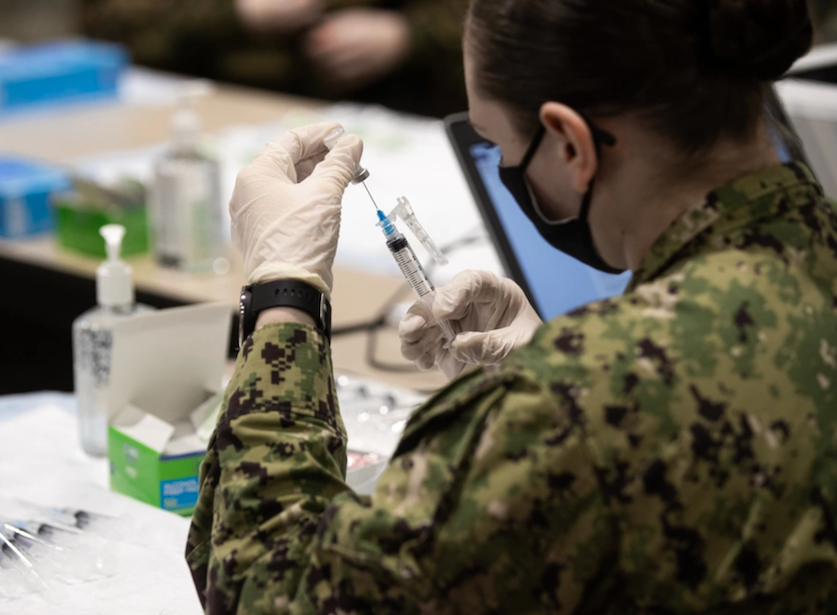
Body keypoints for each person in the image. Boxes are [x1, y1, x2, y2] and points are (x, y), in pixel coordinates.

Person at [186, 0, 837, 612]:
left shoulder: (576, 405)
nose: (500, 162)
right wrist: (556, 356)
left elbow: (267, 585)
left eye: (497, 143)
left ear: (571, 145)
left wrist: (282, 290)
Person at [81, 0, 469, 117]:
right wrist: (235, 15)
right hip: (212, 113)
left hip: (384, 118)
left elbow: (508, 20)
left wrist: (407, 35)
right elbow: (103, 24)